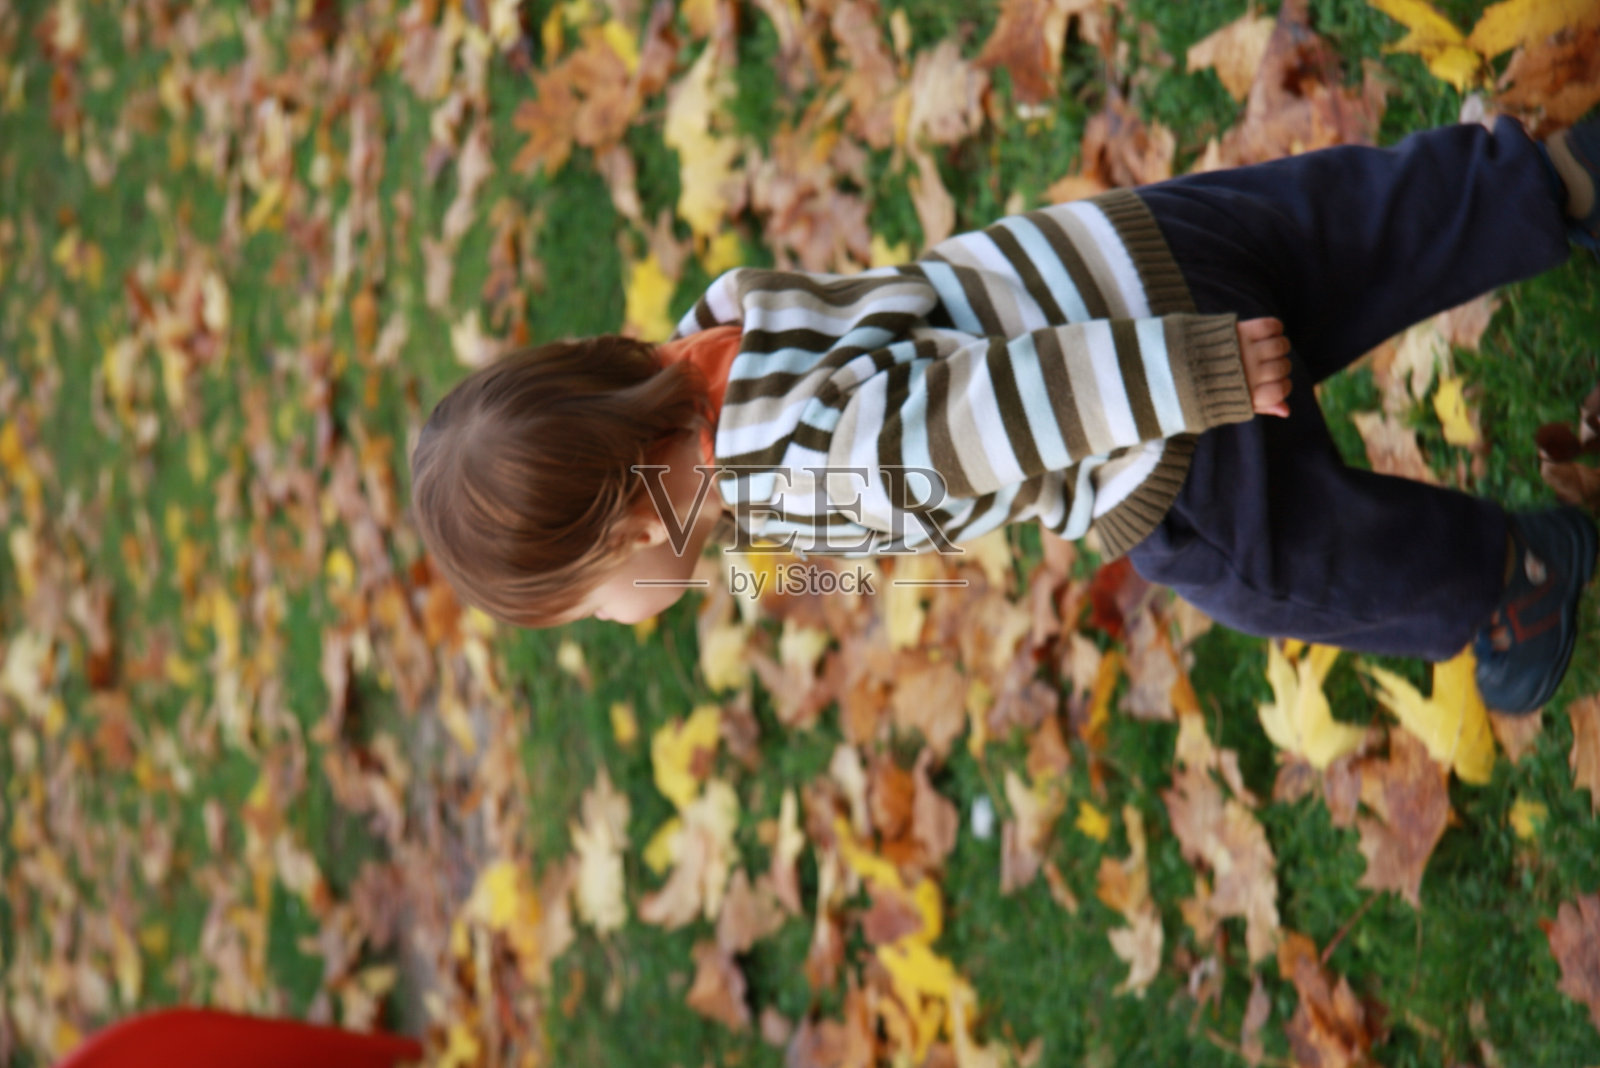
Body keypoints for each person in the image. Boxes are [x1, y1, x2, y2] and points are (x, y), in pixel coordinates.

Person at [410, 114, 1600, 715]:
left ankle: (1505, 586)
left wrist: (1183, 381)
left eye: (593, 605)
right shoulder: (719, 325)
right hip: (1119, 248)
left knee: (1274, 566)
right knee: (1346, 234)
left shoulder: (797, 477)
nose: (621, 625)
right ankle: (1545, 182)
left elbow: (988, 418)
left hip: (1151, 418)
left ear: (625, 529)